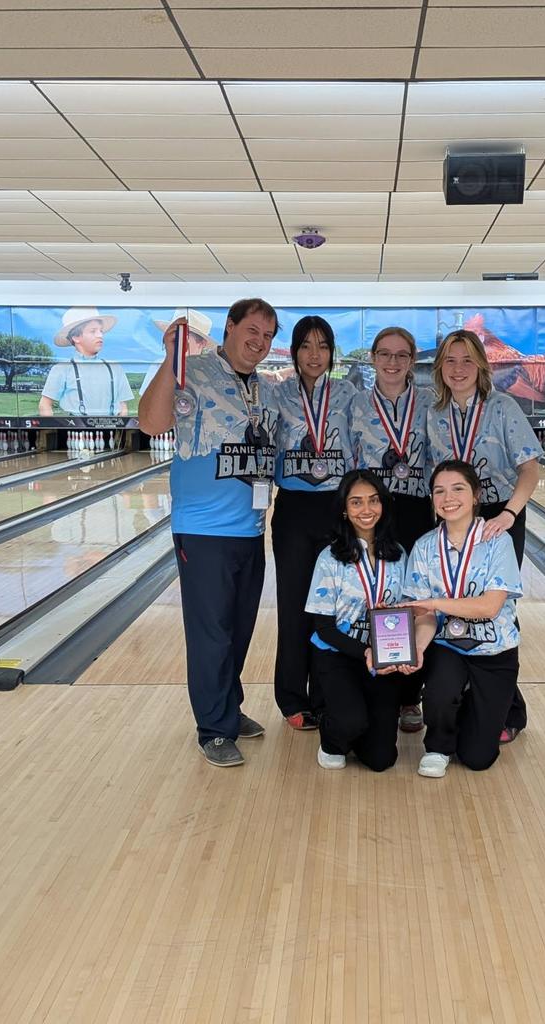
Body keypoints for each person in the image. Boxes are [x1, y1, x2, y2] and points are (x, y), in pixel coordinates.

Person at [138, 298, 279, 767]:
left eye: (268, 335)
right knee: (210, 634)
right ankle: (213, 729)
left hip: (251, 528)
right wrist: (168, 360)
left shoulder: (262, 387)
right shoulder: (191, 372)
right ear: (230, 328)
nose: (260, 341)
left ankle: (227, 709)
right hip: (202, 529)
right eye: (252, 331)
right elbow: (152, 423)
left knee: (238, 630)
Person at [426, 329, 542, 743]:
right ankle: (456, 699)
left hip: (497, 518)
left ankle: (510, 709)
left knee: (498, 612)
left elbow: (529, 468)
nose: (458, 369)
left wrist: (510, 514)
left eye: (467, 361)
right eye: (450, 361)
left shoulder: (502, 407)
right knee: (455, 606)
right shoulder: (432, 411)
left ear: (481, 365)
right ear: (440, 367)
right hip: (454, 517)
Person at [402, 460, 523, 778]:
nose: (448, 497)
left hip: (495, 650)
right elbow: (425, 618)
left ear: (476, 495)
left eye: (458, 489)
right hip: (449, 646)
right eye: (439, 491)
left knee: (477, 758)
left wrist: (436, 602)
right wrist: (416, 650)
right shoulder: (425, 547)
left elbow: (490, 607)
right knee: (439, 690)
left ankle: (477, 704)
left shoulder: (498, 541)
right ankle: (438, 746)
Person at [272, 315, 357, 730]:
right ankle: (291, 697)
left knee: (333, 608)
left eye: (322, 346)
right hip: (292, 510)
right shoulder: (277, 394)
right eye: (306, 345)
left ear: (332, 352)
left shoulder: (348, 393)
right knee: (293, 608)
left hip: (336, 509)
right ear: (294, 350)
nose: (314, 354)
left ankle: (327, 695)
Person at [349, 326, 433, 734]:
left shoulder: (431, 404)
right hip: (374, 511)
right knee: (379, 593)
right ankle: (377, 676)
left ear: (412, 360)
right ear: (373, 358)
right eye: (385, 354)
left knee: (414, 600)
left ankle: (410, 694)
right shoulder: (355, 404)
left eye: (402, 355)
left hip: (418, 509)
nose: (393, 362)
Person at [305, 470, 407, 771]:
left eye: (373, 501)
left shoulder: (398, 554)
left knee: (382, 760)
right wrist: (365, 651)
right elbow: (323, 628)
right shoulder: (330, 558)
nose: (366, 510)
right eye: (357, 502)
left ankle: (358, 728)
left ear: (383, 505)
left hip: (383, 658)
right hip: (337, 655)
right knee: (350, 722)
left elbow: (408, 613)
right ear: (344, 510)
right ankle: (333, 737)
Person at [39, 307, 133, 417]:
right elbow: (44, 405)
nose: (100, 335)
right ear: (76, 337)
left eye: (101, 331)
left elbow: (123, 408)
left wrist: (119, 432)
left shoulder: (115, 368)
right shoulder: (62, 369)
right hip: (74, 433)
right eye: (93, 331)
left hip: (112, 432)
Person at [139, 308, 217, 396]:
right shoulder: (158, 366)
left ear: (201, 343)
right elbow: (147, 405)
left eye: (182, 337)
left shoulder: (212, 373)